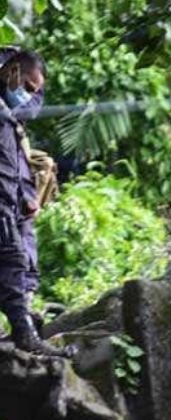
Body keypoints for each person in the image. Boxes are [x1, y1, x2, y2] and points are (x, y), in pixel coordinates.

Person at [0, 48, 61, 356]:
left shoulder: (10, 116)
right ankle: (24, 336)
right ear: (11, 72)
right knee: (12, 262)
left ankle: (22, 331)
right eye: (27, 87)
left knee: (15, 264)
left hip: (9, 203)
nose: (30, 97)